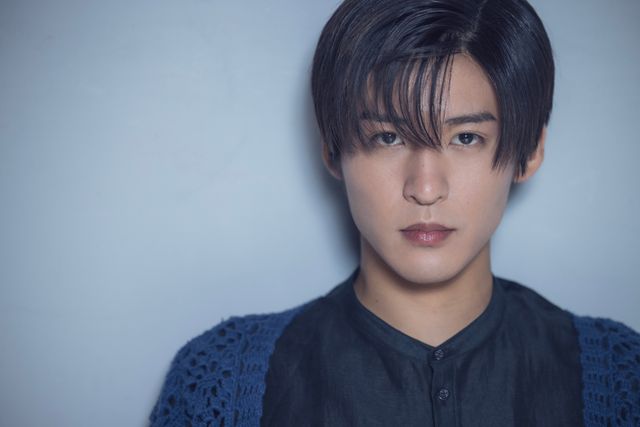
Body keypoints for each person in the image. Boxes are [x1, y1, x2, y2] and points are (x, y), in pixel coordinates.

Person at [149, 0, 640, 425]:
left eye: (466, 138)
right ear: (333, 149)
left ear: (529, 152)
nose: (425, 189)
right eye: (388, 137)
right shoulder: (223, 377)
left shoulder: (623, 377)